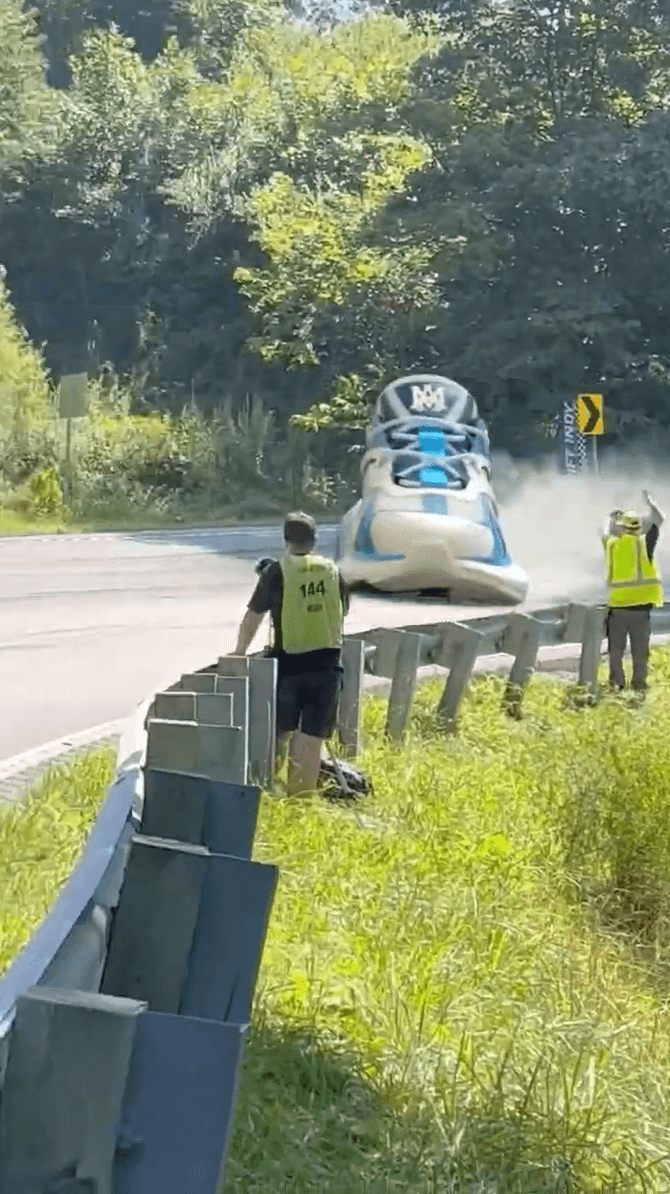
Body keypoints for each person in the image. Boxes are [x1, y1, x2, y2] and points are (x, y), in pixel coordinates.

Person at [233, 512, 349, 795]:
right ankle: (301, 802)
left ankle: (267, 794)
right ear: (315, 539)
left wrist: (239, 651)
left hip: (289, 664)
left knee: (277, 733)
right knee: (310, 741)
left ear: (286, 540)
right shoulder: (333, 570)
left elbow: (253, 617)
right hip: (327, 664)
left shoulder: (278, 572)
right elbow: (341, 609)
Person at [602, 490, 664, 693]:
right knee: (640, 652)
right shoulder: (645, 543)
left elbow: (606, 531)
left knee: (616, 652)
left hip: (618, 608)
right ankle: (639, 685)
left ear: (621, 527)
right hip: (641, 609)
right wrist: (650, 503)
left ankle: (617, 684)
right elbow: (659, 519)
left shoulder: (611, 545)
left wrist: (612, 519)